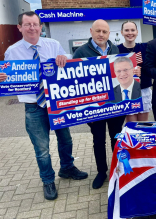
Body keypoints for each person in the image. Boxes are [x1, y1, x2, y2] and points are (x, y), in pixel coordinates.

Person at [4, 11, 88, 200]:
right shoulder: (12, 51)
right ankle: (48, 180)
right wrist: (3, 78)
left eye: (35, 24)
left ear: (41, 26)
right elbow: (8, 79)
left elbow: (68, 61)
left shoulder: (53, 44)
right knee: (41, 149)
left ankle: (67, 168)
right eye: (27, 24)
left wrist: (65, 58)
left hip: (57, 103)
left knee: (66, 140)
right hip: (33, 106)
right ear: (19, 27)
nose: (32, 28)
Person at [73, 19, 122, 189]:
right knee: (98, 140)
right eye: (98, 31)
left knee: (116, 138)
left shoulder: (115, 49)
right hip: (94, 108)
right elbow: (75, 83)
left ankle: (118, 169)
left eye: (105, 31)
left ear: (109, 34)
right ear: (91, 31)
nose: (101, 34)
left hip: (115, 106)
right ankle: (102, 171)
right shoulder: (81, 51)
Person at [118, 21, 152, 122]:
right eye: (127, 30)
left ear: (137, 32)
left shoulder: (145, 48)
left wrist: (142, 71)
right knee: (131, 125)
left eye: (132, 30)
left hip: (143, 89)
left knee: (142, 125)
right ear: (122, 32)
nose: (130, 33)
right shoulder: (117, 50)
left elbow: (151, 67)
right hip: (126, 92)